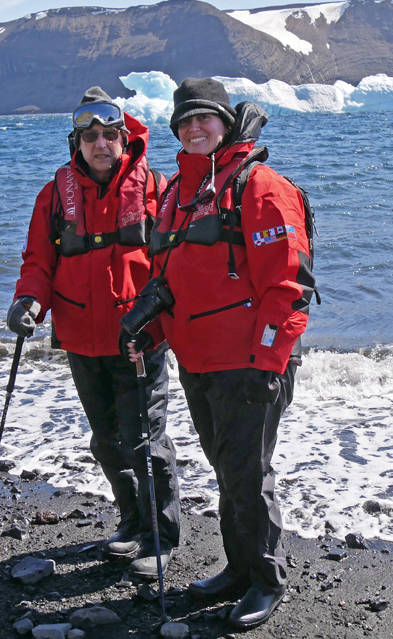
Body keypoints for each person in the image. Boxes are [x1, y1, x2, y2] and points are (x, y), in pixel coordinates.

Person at [121, 77, 315, 629]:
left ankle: (265, 579)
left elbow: (288, 286)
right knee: (228, 472)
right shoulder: (179, 193)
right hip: (199, 364)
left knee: (248, 474)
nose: (194, 127)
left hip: (249, 366)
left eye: (205, 118)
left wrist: (269, 363)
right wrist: (148, 331)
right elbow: (168, 281)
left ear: (225, 123)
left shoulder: (259, 186)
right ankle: (237, 568)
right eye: (185, 121)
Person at [6, 86, 180, 578]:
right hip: (81, 338)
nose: (100, 145)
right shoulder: (53, 195)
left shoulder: (155, 188)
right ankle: (131, 522)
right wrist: (28, 303)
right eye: (90, 137)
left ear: (124, 139)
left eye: (109, 135)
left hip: (139, 340)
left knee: (146, 442)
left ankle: (160, 536)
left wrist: (165, 321)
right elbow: (39, 261)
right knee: (106, 441)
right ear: (76, 143)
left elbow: (174, 265)